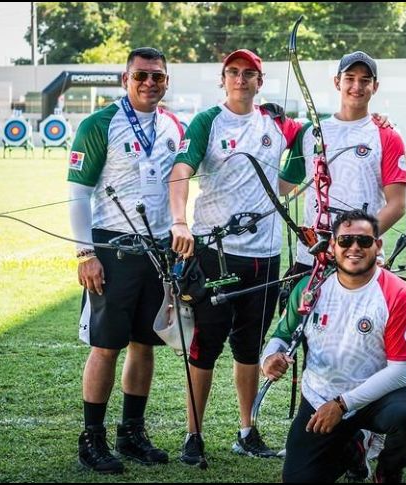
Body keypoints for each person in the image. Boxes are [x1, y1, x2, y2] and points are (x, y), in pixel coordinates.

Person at [169, 49, 303, 463]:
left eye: (249, 73)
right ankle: (193, 434)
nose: (241, 79)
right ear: (223, 79)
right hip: (216, 253)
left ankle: (247, 430)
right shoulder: (208, 121)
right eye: (233, 72)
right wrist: (179, 222)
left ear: (260, 82)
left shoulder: (276, 123)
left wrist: (284, 186)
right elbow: (181, 169)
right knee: (204, 347)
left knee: (250, 347)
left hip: (264, 256)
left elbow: (312, 140)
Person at [68, 47, 182, 473]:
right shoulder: (99, 124)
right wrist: (85, 253)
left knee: (144, 343)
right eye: (141, 76)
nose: (149, 83)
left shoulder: (173, 125)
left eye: (158, 76)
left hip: (158, 249)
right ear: (125, 79)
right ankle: (91, 439)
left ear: (166, 81)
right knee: (106, 346)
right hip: (112, 248)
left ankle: (131, 432)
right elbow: (78, 192)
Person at [260, 209, 406, 483]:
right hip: (320, 399)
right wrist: (269, 357)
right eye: (346, 240)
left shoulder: (398, 294)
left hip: (376, 398)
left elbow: (401, 372)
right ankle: (355, 447)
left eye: (364, 241)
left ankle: (388, 471)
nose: (354, 248)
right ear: (333, 246)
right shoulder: (310, 288)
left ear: (378, 245)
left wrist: (342, 404)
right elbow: (282, 335)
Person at [279, 50, 406, 273]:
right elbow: (282, 187)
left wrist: (355, 242)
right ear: (337, 82)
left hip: (360, 258)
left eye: (365, 80)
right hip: (311, 257)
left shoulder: (387, 135)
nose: (357, 86)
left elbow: (397, 205)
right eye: (350, 78)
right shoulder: (311, 132)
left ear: (375, 87)